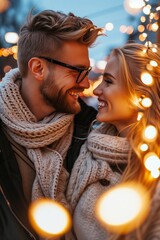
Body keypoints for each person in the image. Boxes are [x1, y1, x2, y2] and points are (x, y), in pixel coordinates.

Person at [0, 9, 103, 240]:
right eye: (77, 71)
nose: (86, 84)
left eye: (86, 71)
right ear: (38, 68)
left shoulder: (93, 134)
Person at [66, 42, 160, 240]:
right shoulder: (88, 149)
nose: (96, 90)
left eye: (108, 82)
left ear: (140, 94)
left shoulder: (153, 172)